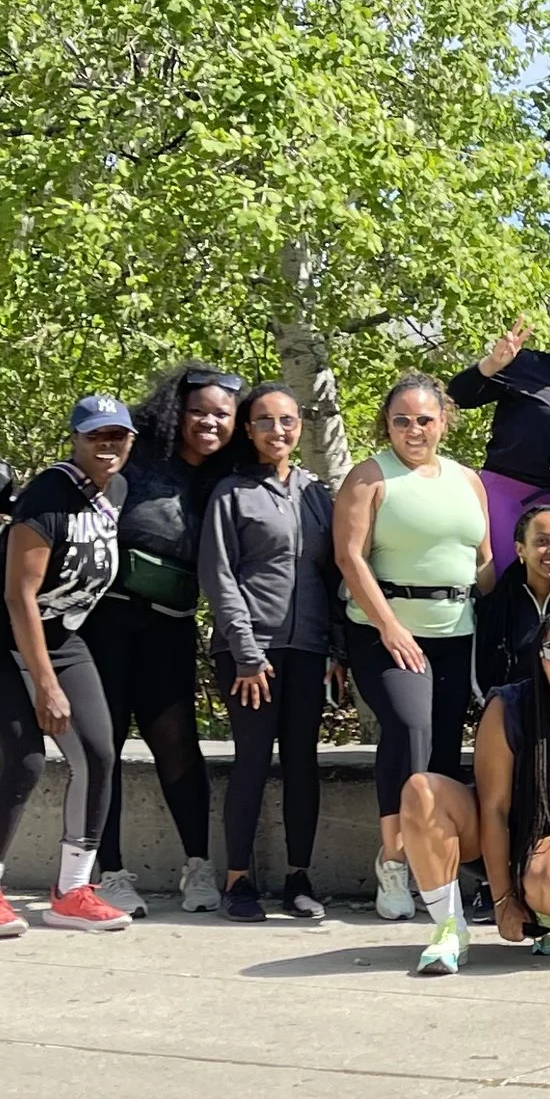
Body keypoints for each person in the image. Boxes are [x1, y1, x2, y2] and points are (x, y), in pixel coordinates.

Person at [0, 396, 137, 937]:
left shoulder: (115, 491)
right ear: (75, 439)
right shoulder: (49, 495)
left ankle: (72, 891)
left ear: (130, 442)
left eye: (117, 436)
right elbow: (18, 596)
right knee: (25, 760)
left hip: (59, 635)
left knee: (99, 753)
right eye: (95, 436)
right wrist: (46, 686)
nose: (107, 445)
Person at [397, 599, 550, 976]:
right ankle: (449, 930)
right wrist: (501, 900)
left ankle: (549, 917)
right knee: (422, 790)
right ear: (541, 657)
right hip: (496, 838)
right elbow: (495, 808)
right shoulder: (508, 707)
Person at [332, 372, 493, 920]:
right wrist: (389, 627)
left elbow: (483, 561)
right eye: (401, 420)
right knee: (409, 729)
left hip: (456, 631)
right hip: (387, 632)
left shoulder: (468, 481)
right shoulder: (370, 477)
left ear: (444, 421)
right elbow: (350, 559)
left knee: (445, 749)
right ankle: (395, 861)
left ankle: (439, 867)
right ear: (387, 424)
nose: (414, 429)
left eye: (425, 419)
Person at [86, 364, 242, 914]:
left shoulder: (229, 474)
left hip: (170, 624)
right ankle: (110, 874)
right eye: (199, 410)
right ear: (177, 412)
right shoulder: (137, 455)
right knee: (102, 748)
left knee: (177, 742)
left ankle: (198, 867)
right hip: (104, 622)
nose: (209, 422)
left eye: (222, 414)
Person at [199, 382, 338, 921]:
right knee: (253, 761)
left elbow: (332, 576)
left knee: (302, 763)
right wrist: (248, 652)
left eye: (286, 420)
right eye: (263, 421)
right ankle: (238, 880)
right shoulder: (231, 493)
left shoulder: (316, 494)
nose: (277, 430)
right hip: (248, 653)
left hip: (307, 649)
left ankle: (298, 879)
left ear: (300, 425)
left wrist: (336, 649)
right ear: (248, 430)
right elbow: (220, 577)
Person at [446, 294, 550, 571]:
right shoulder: (527, 364)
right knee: (497, 583)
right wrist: (492, 364)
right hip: (505, 493)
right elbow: (455, 396)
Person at [473, 499, 550, 694]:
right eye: (542, 541)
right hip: (509, 712)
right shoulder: (495, 608)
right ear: (520, 549)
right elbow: (482, 675)